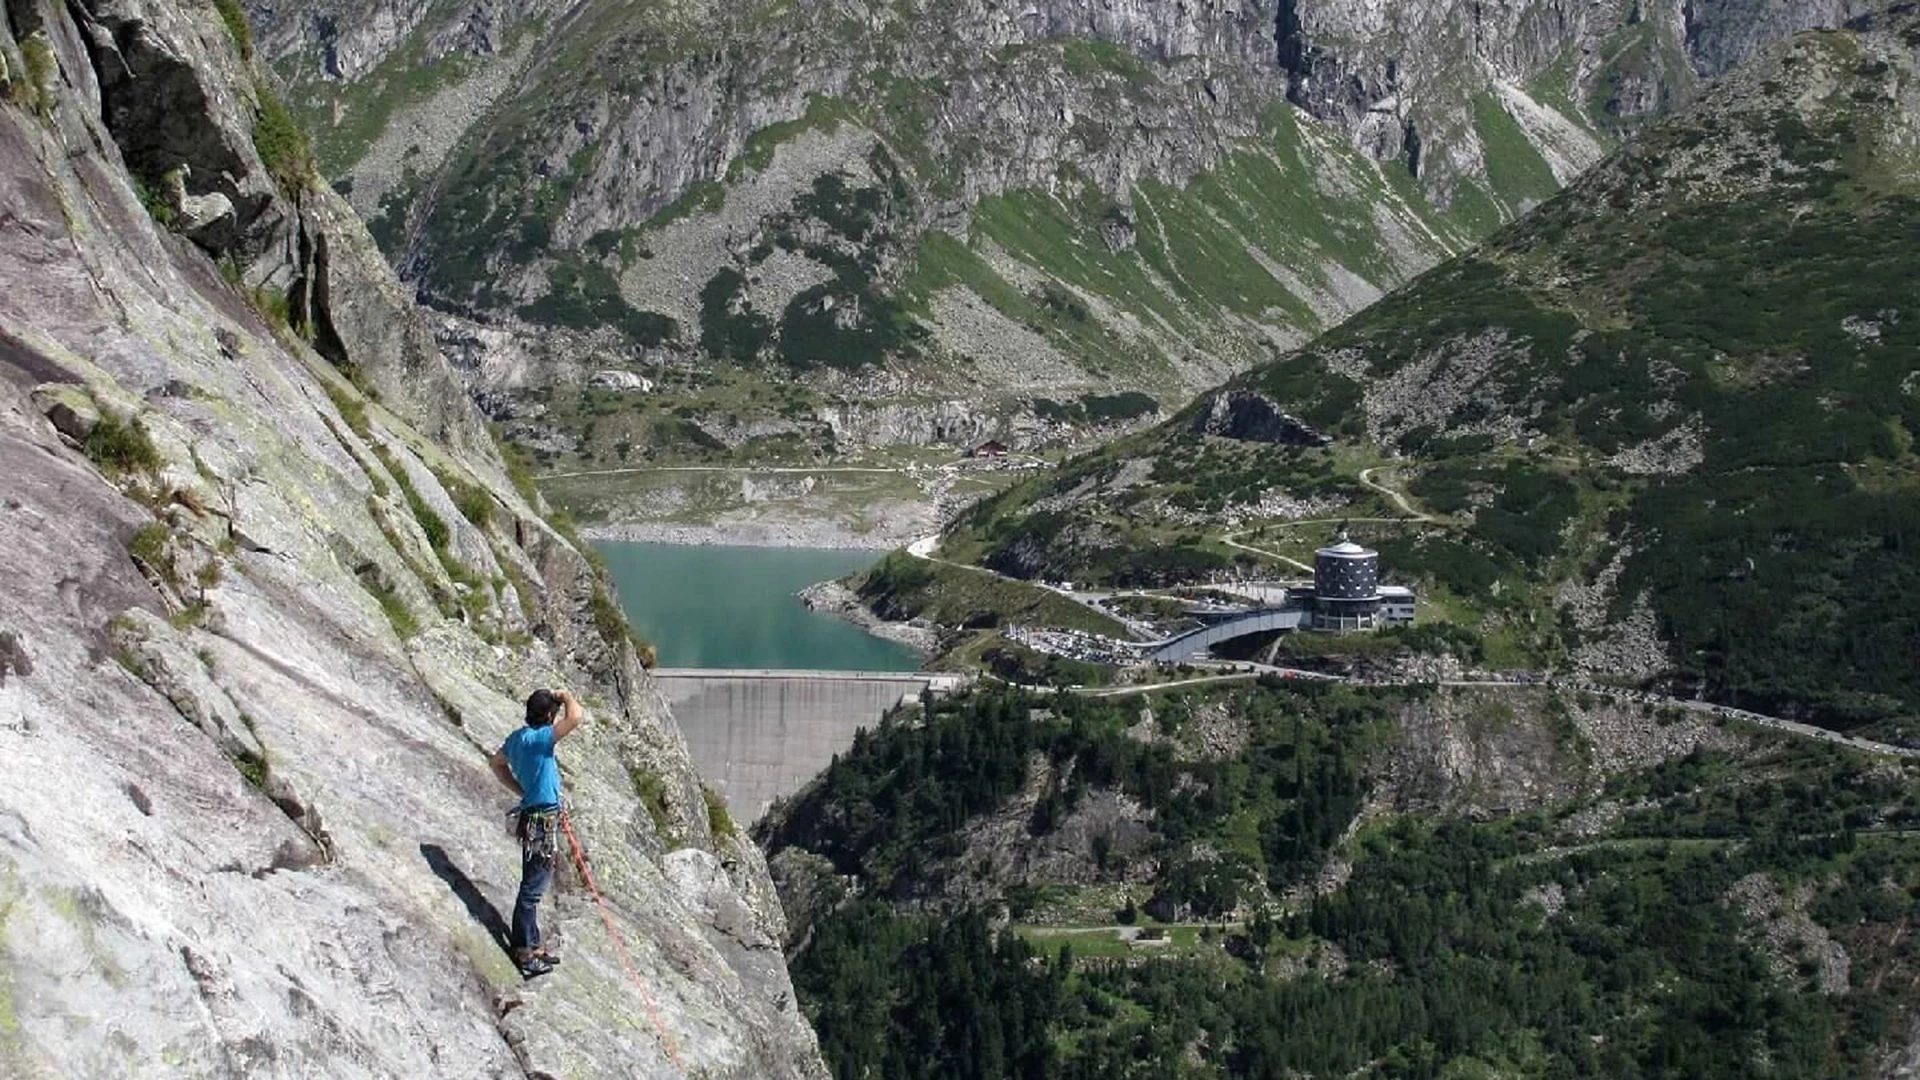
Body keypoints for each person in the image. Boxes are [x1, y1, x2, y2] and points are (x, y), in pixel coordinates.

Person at [490, 688, 584, 978]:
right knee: (532, 890)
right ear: (548, 715)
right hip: (541, 822)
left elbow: (496, 764)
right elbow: (576, 717)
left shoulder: (518, 739)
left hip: (536, 816)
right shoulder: (541, 739)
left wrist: (522, 790)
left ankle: (531, 942)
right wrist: (566, 695)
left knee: (534, 883)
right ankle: (524, 952)